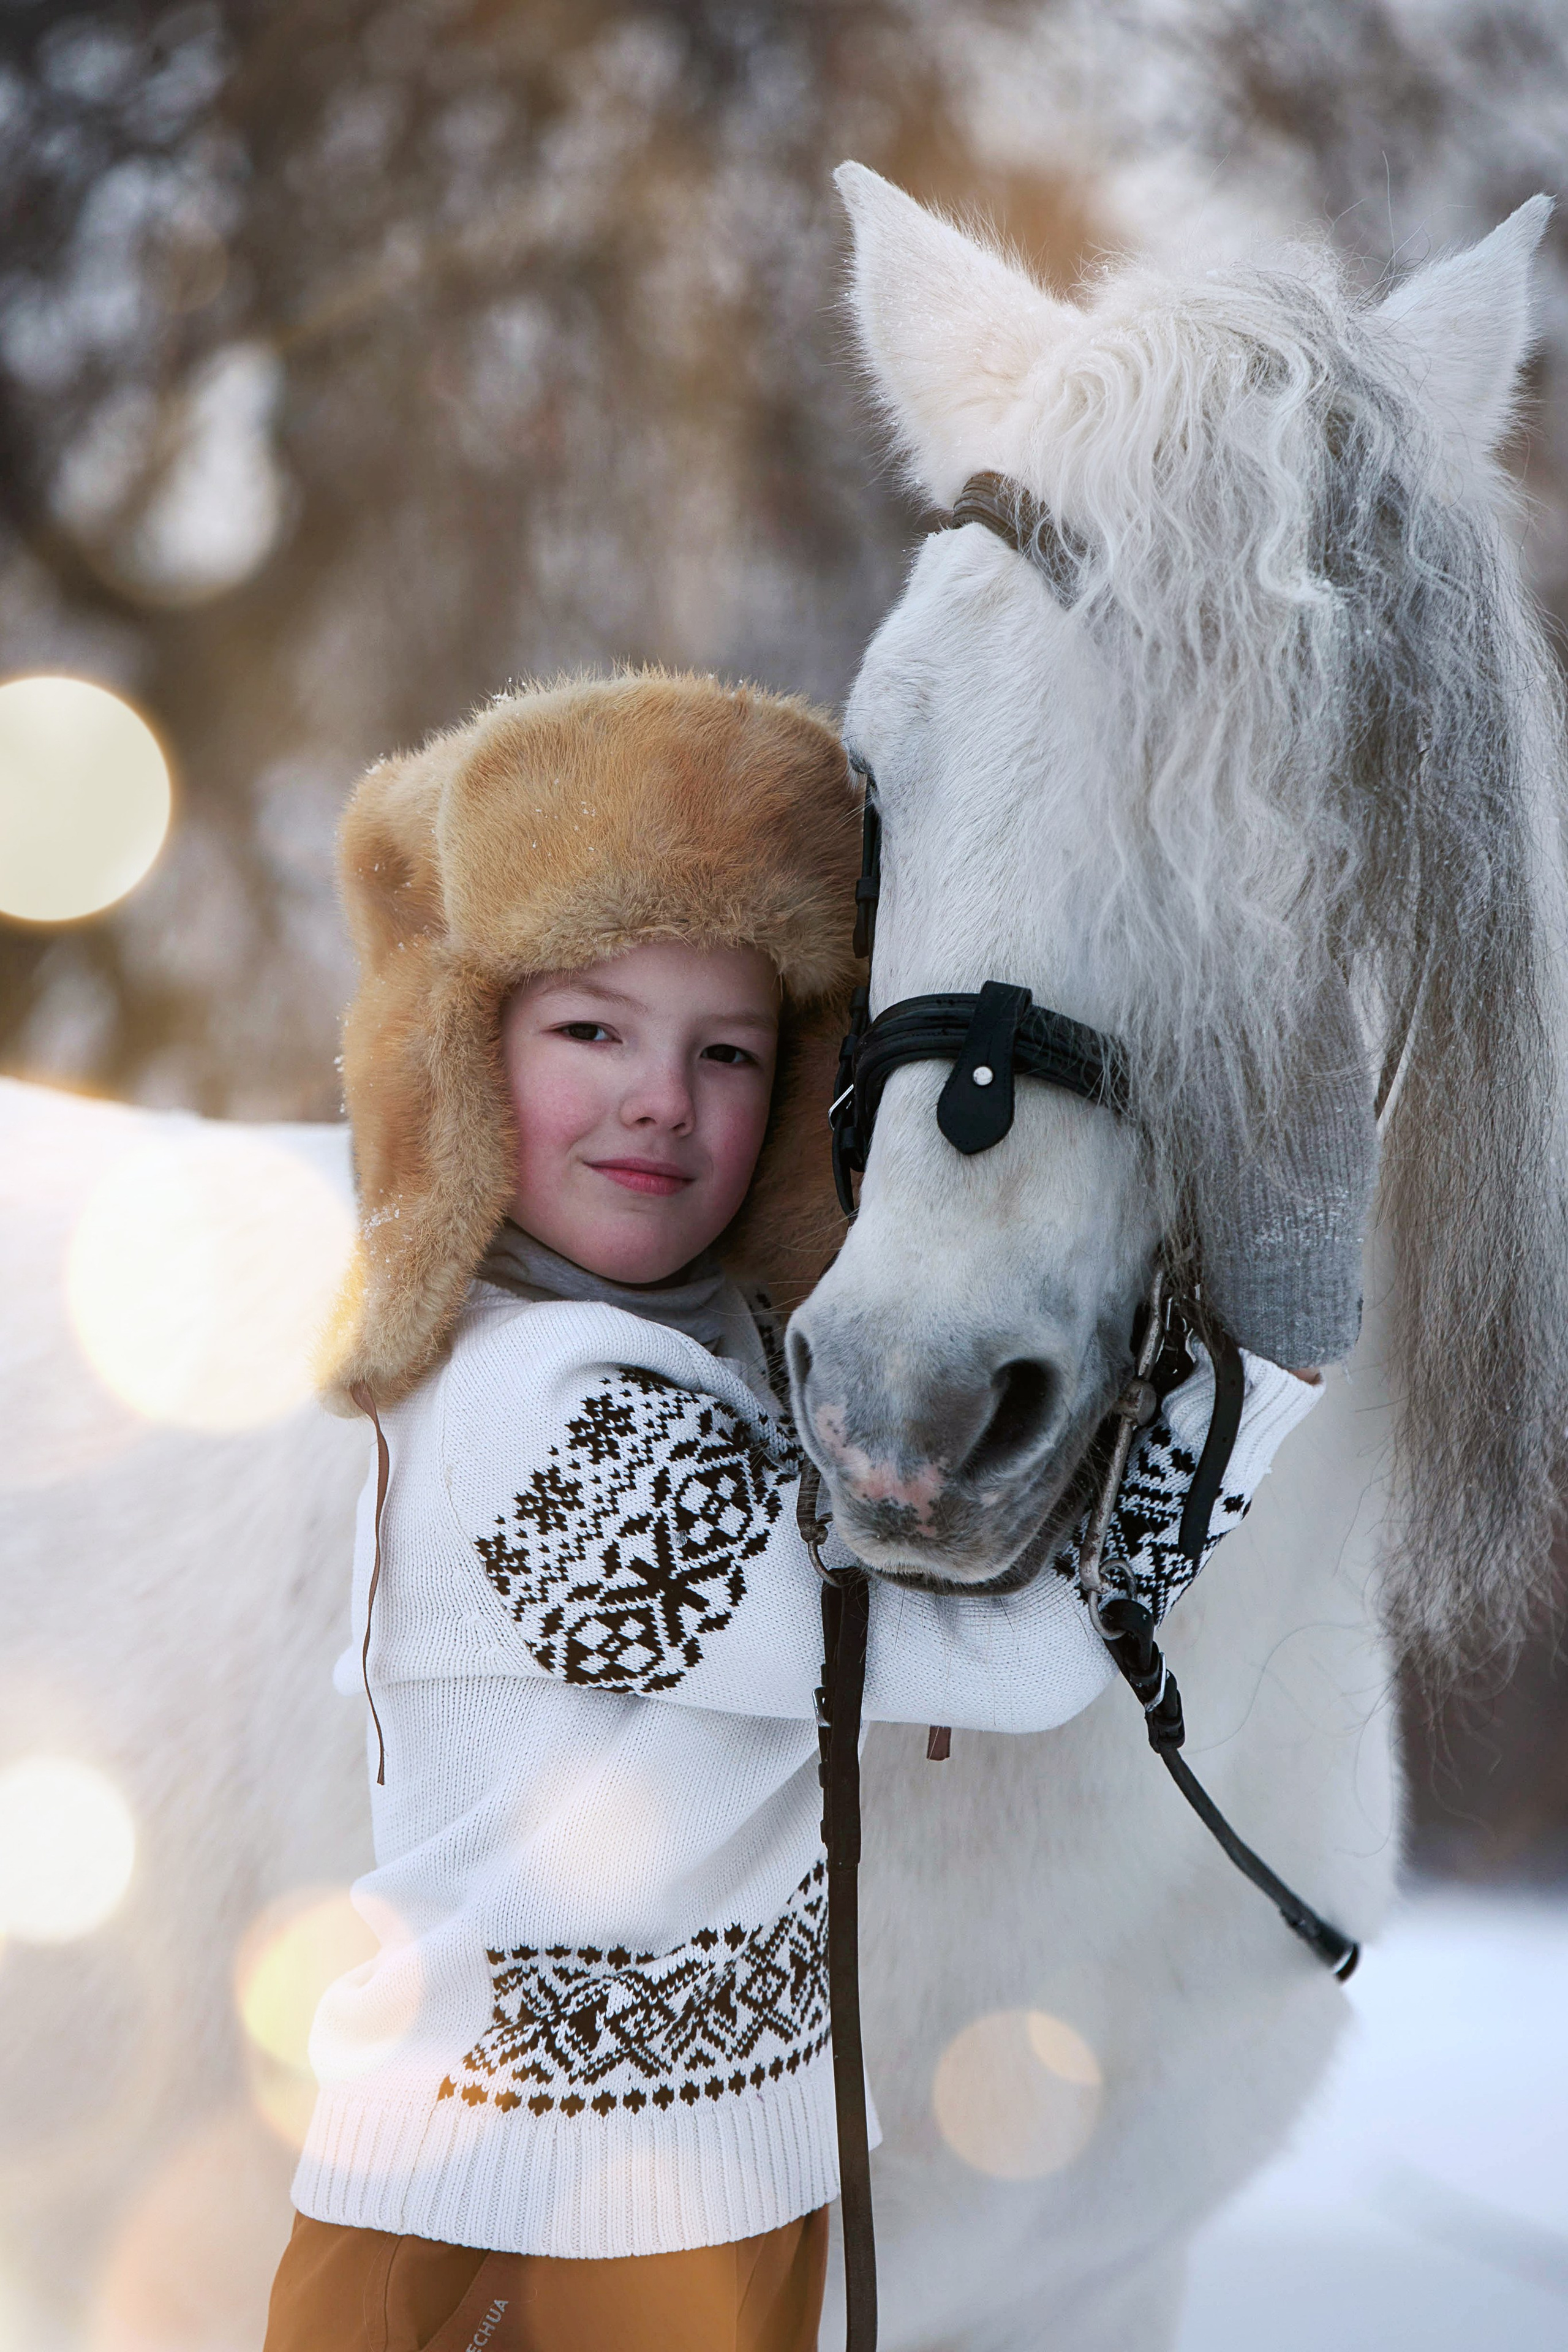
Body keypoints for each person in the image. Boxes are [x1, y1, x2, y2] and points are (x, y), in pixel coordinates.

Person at [263, 671, 1322, 2352]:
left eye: (729, 1049)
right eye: (591, 1029)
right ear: (468, 1058)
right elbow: (998, 1664)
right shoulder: (538, 1422)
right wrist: (1260, 1379)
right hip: (522, 2221)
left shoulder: (714, 1358)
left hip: (704, 2185)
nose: (660, 1098)